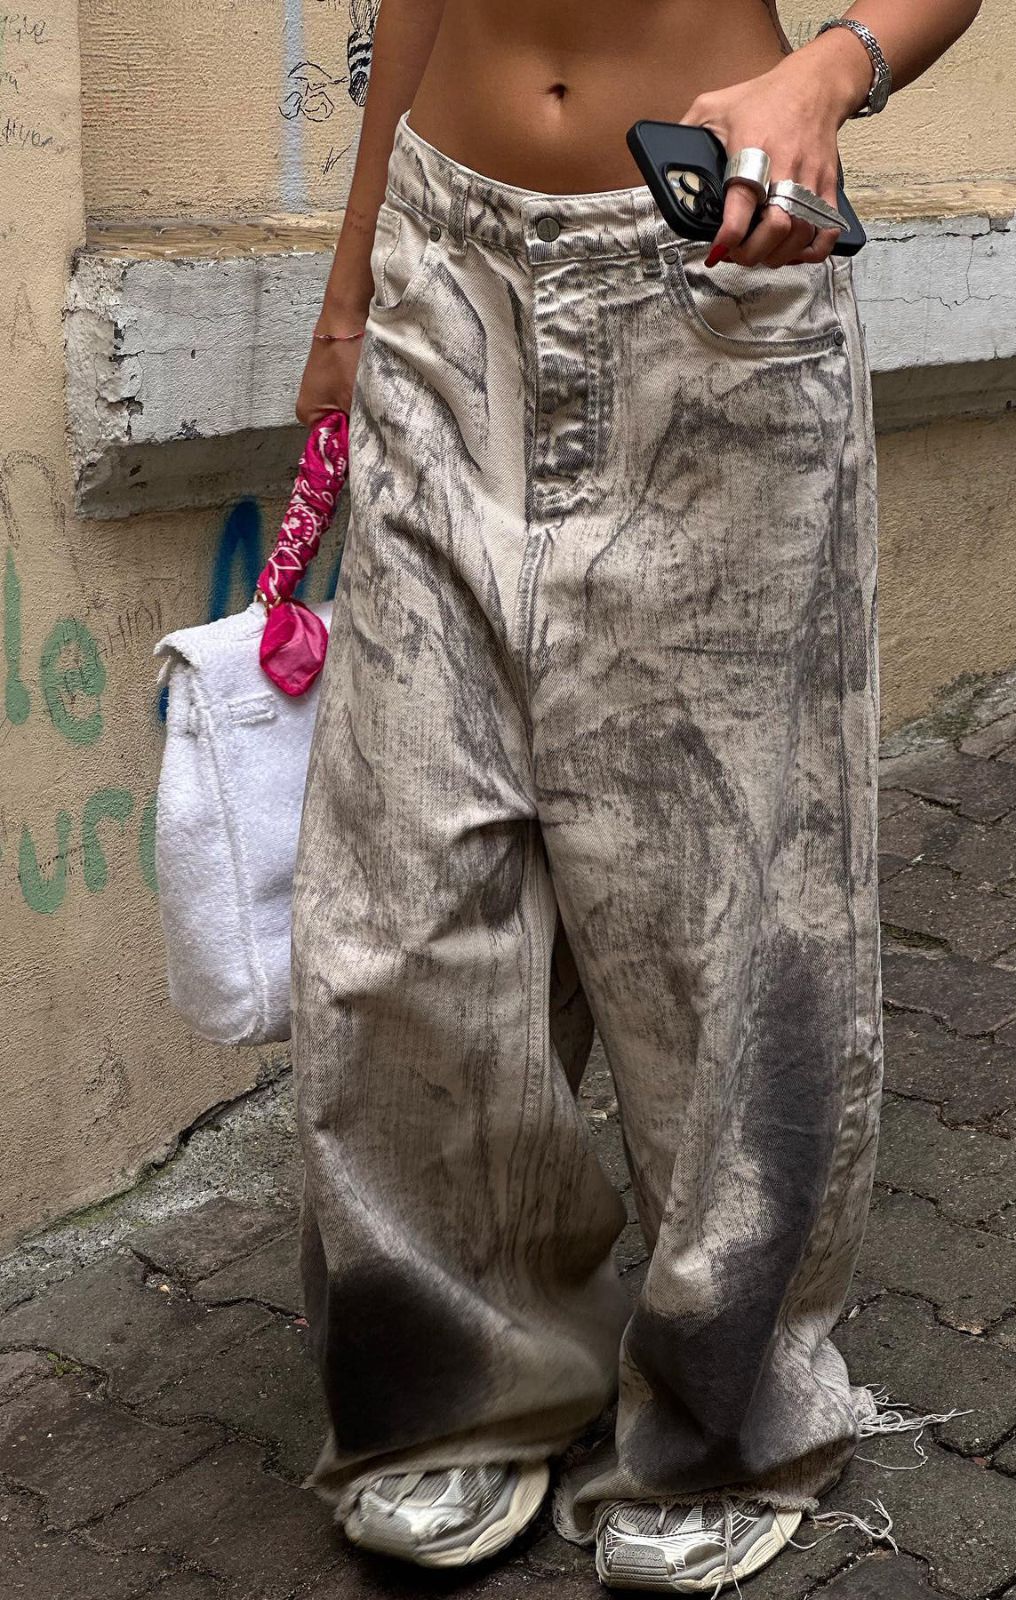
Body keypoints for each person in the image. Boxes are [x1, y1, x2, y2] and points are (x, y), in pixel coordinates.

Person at [290, 1, 981, 1591]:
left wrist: (828, 74)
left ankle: (726, 1414)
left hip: (706, 273)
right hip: (443, 268)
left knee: (719, 907)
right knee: (403, 893)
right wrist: (350, 285)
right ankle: (455, 1380)